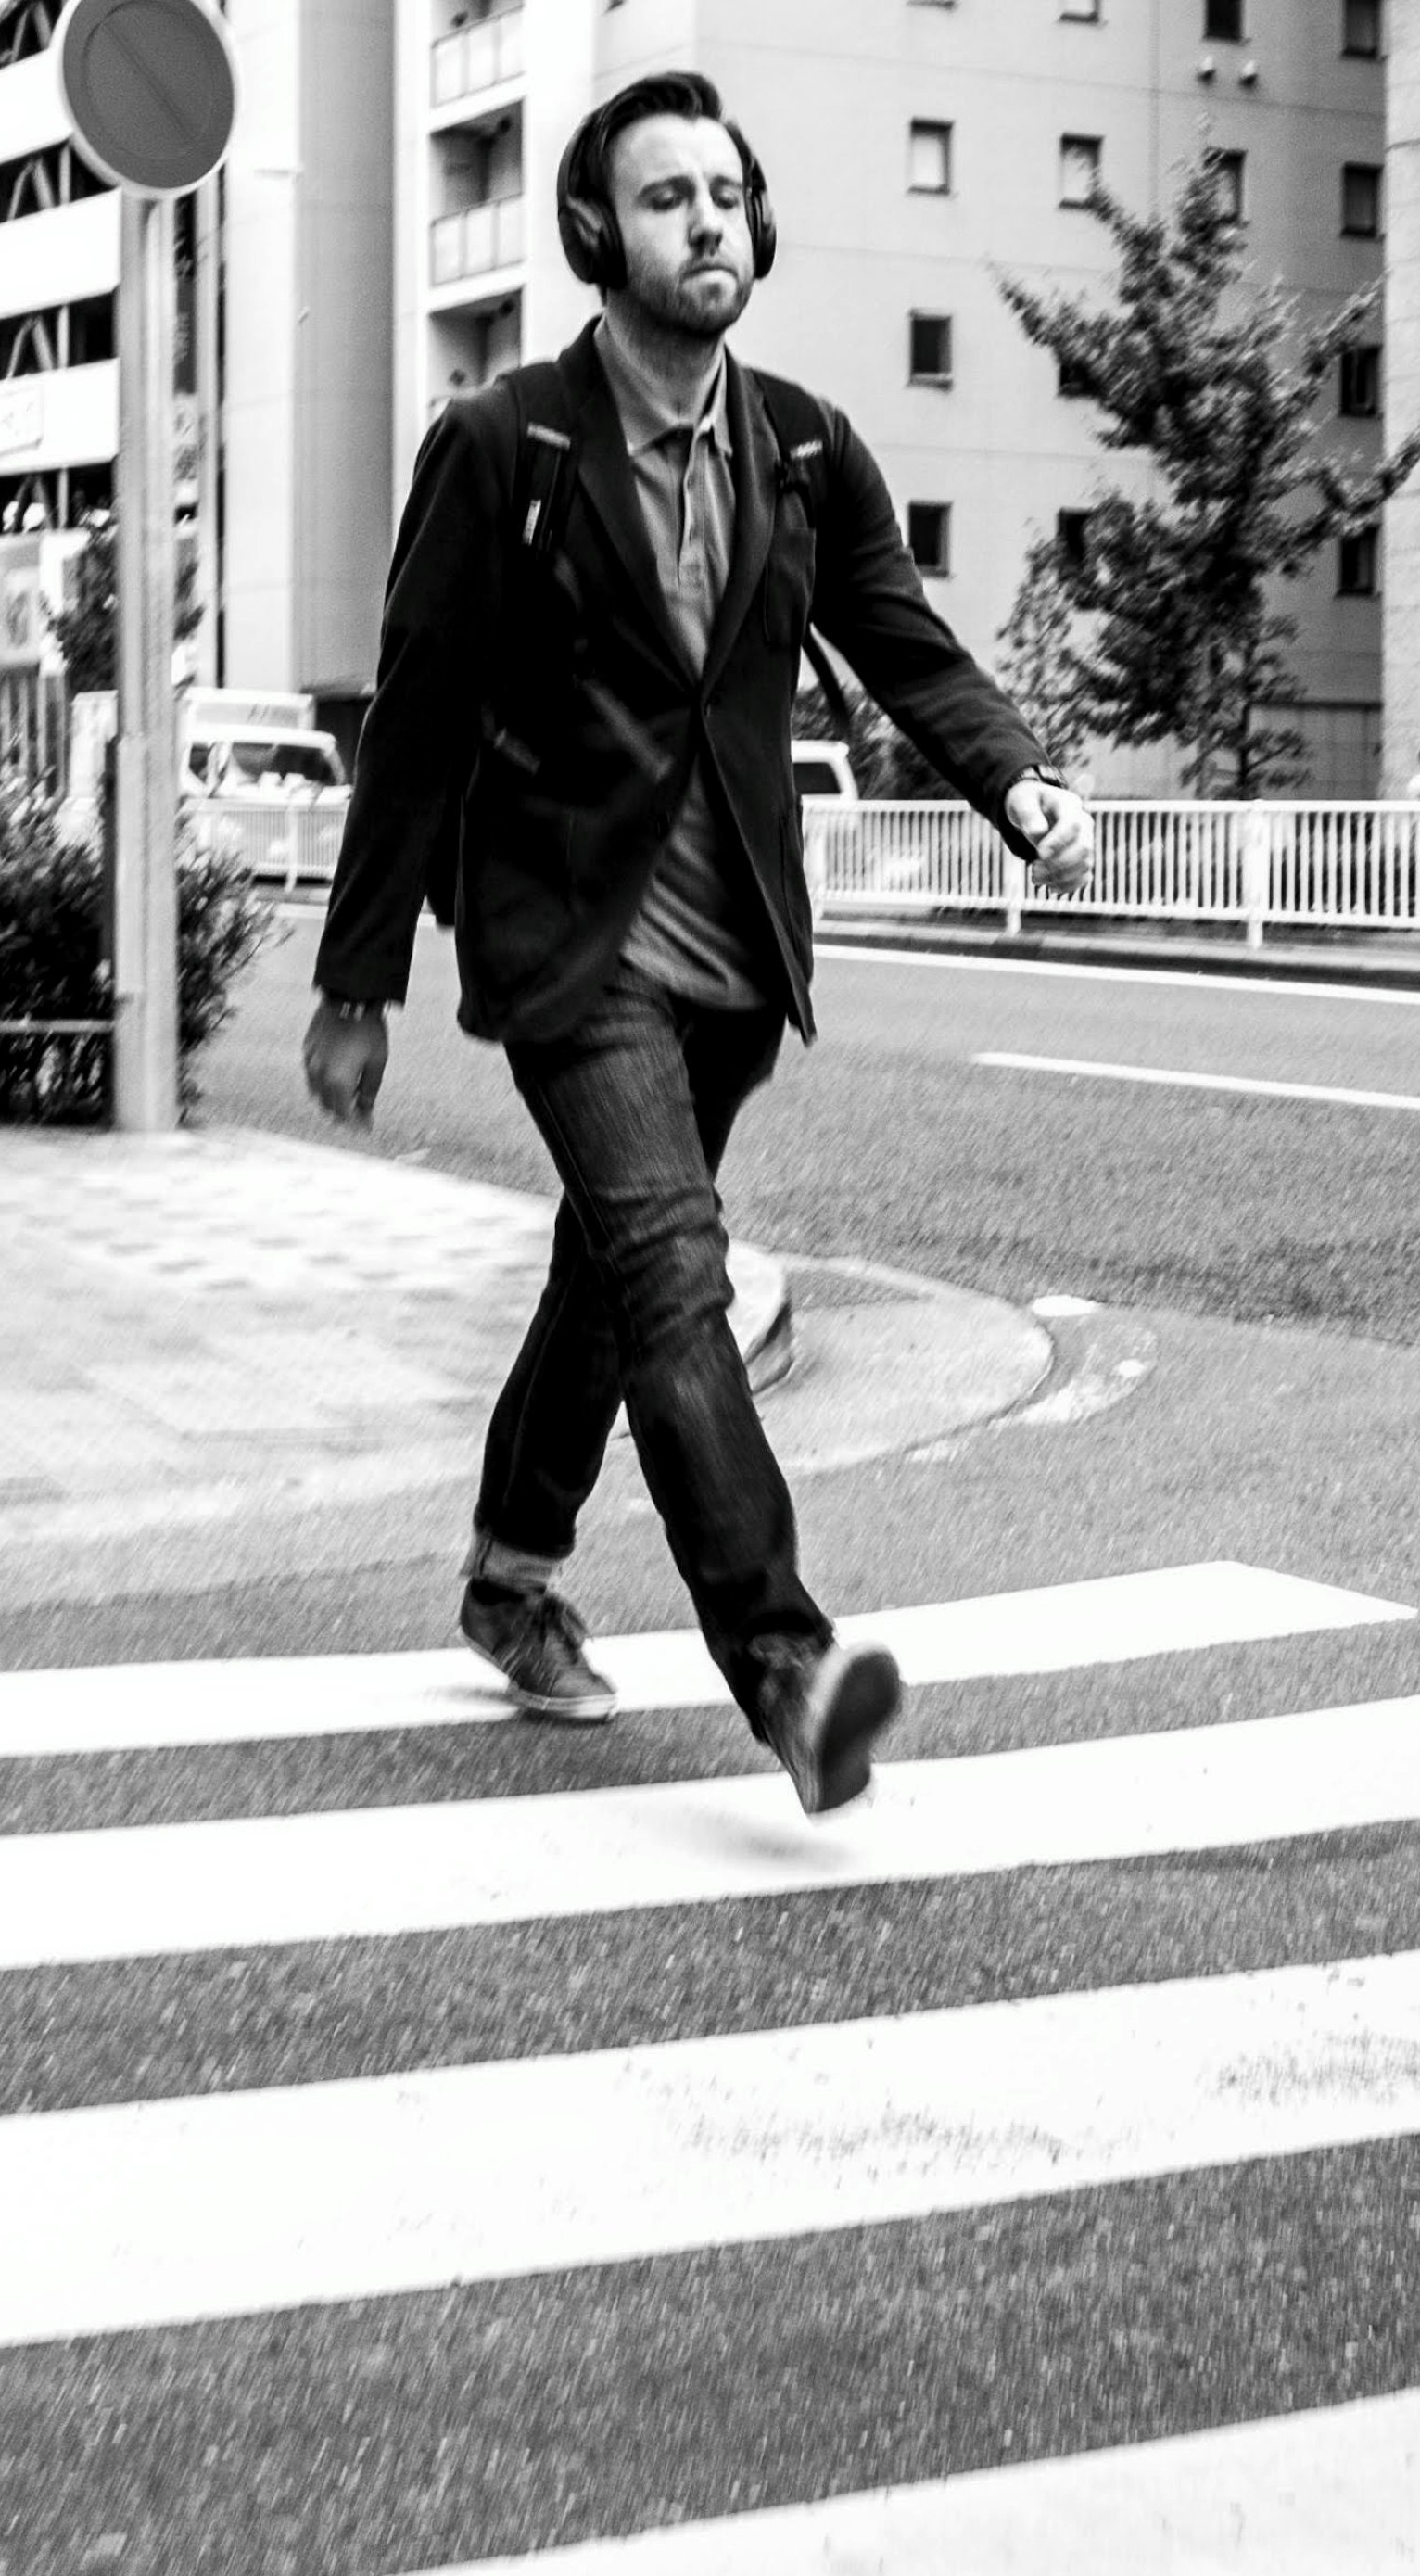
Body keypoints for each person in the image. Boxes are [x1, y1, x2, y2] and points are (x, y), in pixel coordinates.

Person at [301, 71, 1092, 1818]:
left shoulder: (798, 446)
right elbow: (419, 717)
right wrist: (357, 979)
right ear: (599, 235)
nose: (708, 222)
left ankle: (511, 1573)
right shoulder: (508, 446)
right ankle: (791, 1674)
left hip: (737, 959)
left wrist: (1014, 782)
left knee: (613, 1270)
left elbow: (903, 640)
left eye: (727, 193)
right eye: (668, 199)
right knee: (677, 1275)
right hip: (568, 951)